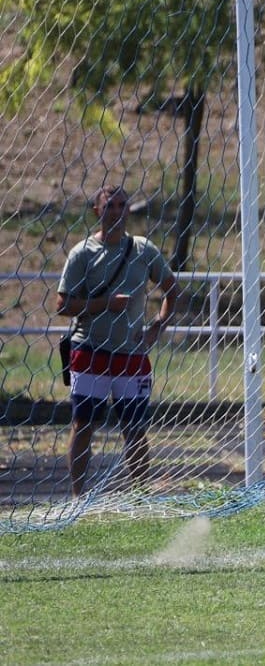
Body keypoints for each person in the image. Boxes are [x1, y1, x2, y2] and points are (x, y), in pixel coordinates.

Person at [56, 184, 178, 497]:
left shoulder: (143, 250)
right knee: (83, 426)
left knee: (135, 430)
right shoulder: (82, 253)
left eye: (122, 205)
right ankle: (78, 498)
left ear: (128, 211)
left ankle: (140, 497)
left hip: (132, 354)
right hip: (90, 350)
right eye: (109, 205)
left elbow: (172, 290)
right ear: (97, 211)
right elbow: (63, 306)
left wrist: (156, 328)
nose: (116, 211)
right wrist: (104, 304)